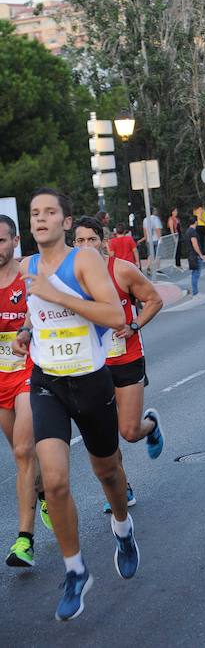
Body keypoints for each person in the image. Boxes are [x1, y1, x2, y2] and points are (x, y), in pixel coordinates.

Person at [12, 188, 139, 621]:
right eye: (35, 213)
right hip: (47, 382)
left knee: (107, 471)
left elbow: (115, 316)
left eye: (50, 212)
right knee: (56, 482)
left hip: (89, 380)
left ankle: (122, 527)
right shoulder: (26, 267)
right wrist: (29, 329)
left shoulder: (82, 261)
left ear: (66, 222)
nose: (41, 218)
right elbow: (36, 308)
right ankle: (75, 569)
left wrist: (56, 294)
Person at [73, 217, 164, 513]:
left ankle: (150, 426)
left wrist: (134, 325)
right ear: (73, 244)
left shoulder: (122, 270)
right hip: (91, 366)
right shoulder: (70, 277)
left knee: (129, 431)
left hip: (126, 359)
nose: (86, 246)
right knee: (105, 438)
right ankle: (121, 490)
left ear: (103, 241)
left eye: (91, 240)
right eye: (80, 241)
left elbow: (154, 300)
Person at [0, 215, 51, 568]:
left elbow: (43, 311)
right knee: (24, 461)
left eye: (1, 240)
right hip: (0, 375)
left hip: (29, 371)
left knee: (22, 450)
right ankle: (46, 492)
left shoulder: (28, 276)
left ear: (15, 241)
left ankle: (24, 540)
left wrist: (27, 329)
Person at [185, 216, 203, 295]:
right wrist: (200, 254)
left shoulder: (188, 231)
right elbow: (195, 244)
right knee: (196, 273)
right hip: (194, 255)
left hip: (190, 254)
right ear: (195, 222)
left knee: (194, 273)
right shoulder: (192, 232)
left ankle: (194, 290)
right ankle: (195, 291)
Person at [142, 207, 162, 272]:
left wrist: (146, 238)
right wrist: (160, 238)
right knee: (158, 254)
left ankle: (148, 267)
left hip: (149, 240)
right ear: (153, 211)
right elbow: (157, 229)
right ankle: (158, 268)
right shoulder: (156, 219)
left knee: (150, 254)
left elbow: (144, 230)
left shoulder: (145, 220)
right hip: (156, 239)